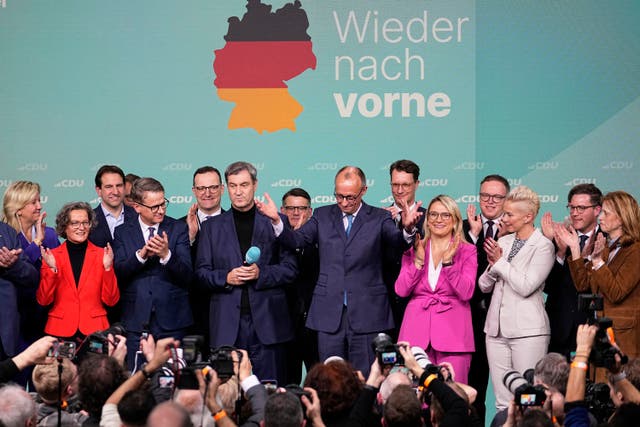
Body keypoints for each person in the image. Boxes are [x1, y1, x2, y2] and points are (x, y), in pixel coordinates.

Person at [257, 165, 422, 375]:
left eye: (350, 197)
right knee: (331, 381)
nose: (344, 202)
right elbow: (296, 240)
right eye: (339, 196)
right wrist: (277, 221)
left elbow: (398, 242)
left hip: (368, 313)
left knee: (367, 378)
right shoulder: (322, 214)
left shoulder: (379, 217)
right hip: (328, 314)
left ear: (363, 191)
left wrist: (407, 228)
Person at [195, 161, 297, 385]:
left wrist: (261, 274)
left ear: (255, 185)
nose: (238, 191)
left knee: (269, 395)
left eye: (244, 184)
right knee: (227, 396)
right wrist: (225, 277)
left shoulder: (275, 221)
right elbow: (201, 274)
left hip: (268, 326)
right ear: (226, 188)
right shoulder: (211, 228)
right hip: (227, 326)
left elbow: (290, 270)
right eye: (233, 186)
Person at [479, 185, 554, 411]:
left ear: (528, 216)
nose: (504, 218)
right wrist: (494, 266)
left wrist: (500, 263)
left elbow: (526, 286)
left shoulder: (543, 246)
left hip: (527, 332)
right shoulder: (503, 242)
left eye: (509, 214)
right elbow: (483, 286)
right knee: (502, 402)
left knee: (529, 399)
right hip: (495, 331)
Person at [395, 195, 477, 384]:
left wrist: (448, 264)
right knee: (416, 401)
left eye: (445, 215)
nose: (438, 220)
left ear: (455, 220)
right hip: (416, 333)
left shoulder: (467, 250)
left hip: (454, 336)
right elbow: (401, 290)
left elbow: (467, 292)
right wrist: (418, 262)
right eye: (433, 214)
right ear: (427, 220)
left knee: (453, 395)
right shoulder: (415, 247)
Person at [113, 177, 194, 369]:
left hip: (172, 320)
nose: (161, 210)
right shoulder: (122, 232)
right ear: (137, 206)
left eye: (163, 204)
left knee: (174, 378)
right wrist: (141, 256)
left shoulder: (178, 228)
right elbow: (119, 272)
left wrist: (166, 255)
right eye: (154, 207)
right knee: (137, 379)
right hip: (137, 320)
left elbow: (188, 275)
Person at [556, 190, 640, 360]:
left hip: (622, 336)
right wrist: (575, 250)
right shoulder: (606, 248)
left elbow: (616, 292)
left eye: (606, 213)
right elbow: (583, 285)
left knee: (619, 385)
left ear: (622, 217)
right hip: (600, 332)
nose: (600, 217)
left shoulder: (636, 250)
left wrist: (597, 262)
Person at [37, 201, 120, 339]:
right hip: (59, 330)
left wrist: (107, 268)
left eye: (85, 223)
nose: (81, 228)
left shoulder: (103, 255)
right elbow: (43, 300)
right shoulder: (52, 256)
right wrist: (52, 269)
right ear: (65, 226)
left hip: (95, 331)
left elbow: (111, 300)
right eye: (75, 223)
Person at [463, 174, 509, 423]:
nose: (490, 201)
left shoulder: (517, 231)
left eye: (497, 197)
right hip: (469, 321)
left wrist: (504, 238)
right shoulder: (463, 227)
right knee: (473, 388)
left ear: (506, 199)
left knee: (509, 389)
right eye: (485, 196)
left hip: (506, 322)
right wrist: (472, 236)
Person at [541, 183, 604, 356]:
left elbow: (595, 286)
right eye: (572, 207)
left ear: (597, 210)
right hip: (558, 328)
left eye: (581, 208)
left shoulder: (606, 241)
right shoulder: (560, 237)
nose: (575, 213)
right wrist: (559, 253)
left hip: (591, 330)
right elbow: (548, 287)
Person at [182, 166, 226, 352]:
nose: (207, 193)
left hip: (227, 313)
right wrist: (190, 238)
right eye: (201, 188)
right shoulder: (178, 226)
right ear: (194, 191)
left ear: (222, 189)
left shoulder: (236, 224)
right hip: (190, 317)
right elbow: (178, 271)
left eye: (213, 187)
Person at [383, 160, 427, 340]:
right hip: (383, 305)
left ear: (416, 184)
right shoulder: (378, 217)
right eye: (395, 184)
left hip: (418, 302)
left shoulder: (431, 218)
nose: (399, 190)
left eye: (406, 185)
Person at [280, 187, 319, 385]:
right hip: (284, 325)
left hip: (316, 325)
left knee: (320, 383)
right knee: (288, 384)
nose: (296, 213)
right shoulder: (273, 241)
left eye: (302, 208)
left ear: (310, 212)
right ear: (281, 211)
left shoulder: (322, 242)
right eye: (291, 208)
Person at [2, 180, 60, 264]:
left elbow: (60, 268)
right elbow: (19, 268)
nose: (40, 206)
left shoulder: (50, 234)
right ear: (18, 209)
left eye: (39, 201)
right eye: (33, 203)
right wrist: (37, 241)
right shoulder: (5, 238)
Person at [89, 165, 138, 249]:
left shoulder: (138, 216)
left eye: (119, 185)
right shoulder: (88, 219)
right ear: (98, 190)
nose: (115, 192)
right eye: (109, 187)